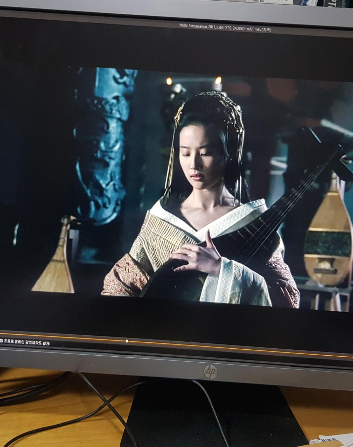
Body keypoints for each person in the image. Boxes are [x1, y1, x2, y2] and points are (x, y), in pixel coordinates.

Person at [101, 92, 299, 308]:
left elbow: (286, 300)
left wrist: (221, 269)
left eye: (205, 153)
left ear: (228, 154)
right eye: (185, 153)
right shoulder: (161, 220)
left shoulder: (255, 224)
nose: (194, 165)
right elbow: (120, 285)